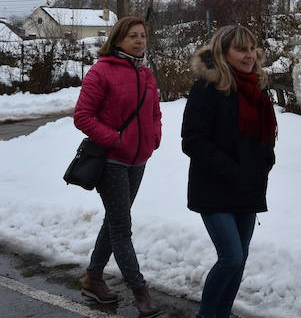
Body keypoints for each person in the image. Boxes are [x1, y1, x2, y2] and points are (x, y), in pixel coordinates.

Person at [181, 25, 277, 318]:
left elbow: (265, 137)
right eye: (241, 49)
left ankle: (221, 312)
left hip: (248, 186)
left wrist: (264, 163)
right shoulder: (206, 89)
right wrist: (233, 170)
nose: (249, 55)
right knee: (231, 257)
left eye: (251, 48)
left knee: (241, 258)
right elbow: (193, 141)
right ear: (224, 53)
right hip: (214, 186)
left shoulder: (256, 89)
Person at [72, 16, 163, 318]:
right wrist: (115, 140)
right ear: (117, 39)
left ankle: (93, 278)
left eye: (142, 35)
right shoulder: (101, 72)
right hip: (111, 161)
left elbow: (154, 111)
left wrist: (154, 136)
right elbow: (83, 116)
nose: (139, 40)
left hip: (139, 160)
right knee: (122, 227)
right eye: (132, 36)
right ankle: (140, 291)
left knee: (114, 220)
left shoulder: (146, 73)